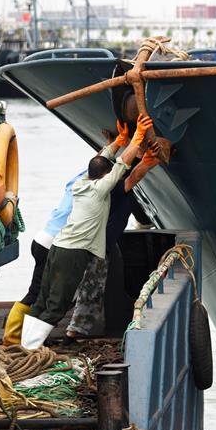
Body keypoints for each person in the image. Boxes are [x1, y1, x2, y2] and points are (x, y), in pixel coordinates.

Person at [20, 115, 152, 349]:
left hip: (58, 246)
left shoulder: (81, 182)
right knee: (57, 305)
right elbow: (122, 165)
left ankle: (25, 345)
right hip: (74, 252)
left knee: (43, 299)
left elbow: (103, 160)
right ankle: (30, 349)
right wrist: (138, 136)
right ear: (104, 177)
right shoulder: (101, 189)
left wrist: (119, 140)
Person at [65, 141, 164, 340]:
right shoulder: (112, 187)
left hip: (87, 241)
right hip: (98, 246)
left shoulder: (87, 182)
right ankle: (75, 330)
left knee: (87, 283)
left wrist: (119, 140)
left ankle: (82, 322)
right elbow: (134, 176)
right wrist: (149, 161)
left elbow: (114, 165)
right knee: (91, 287)